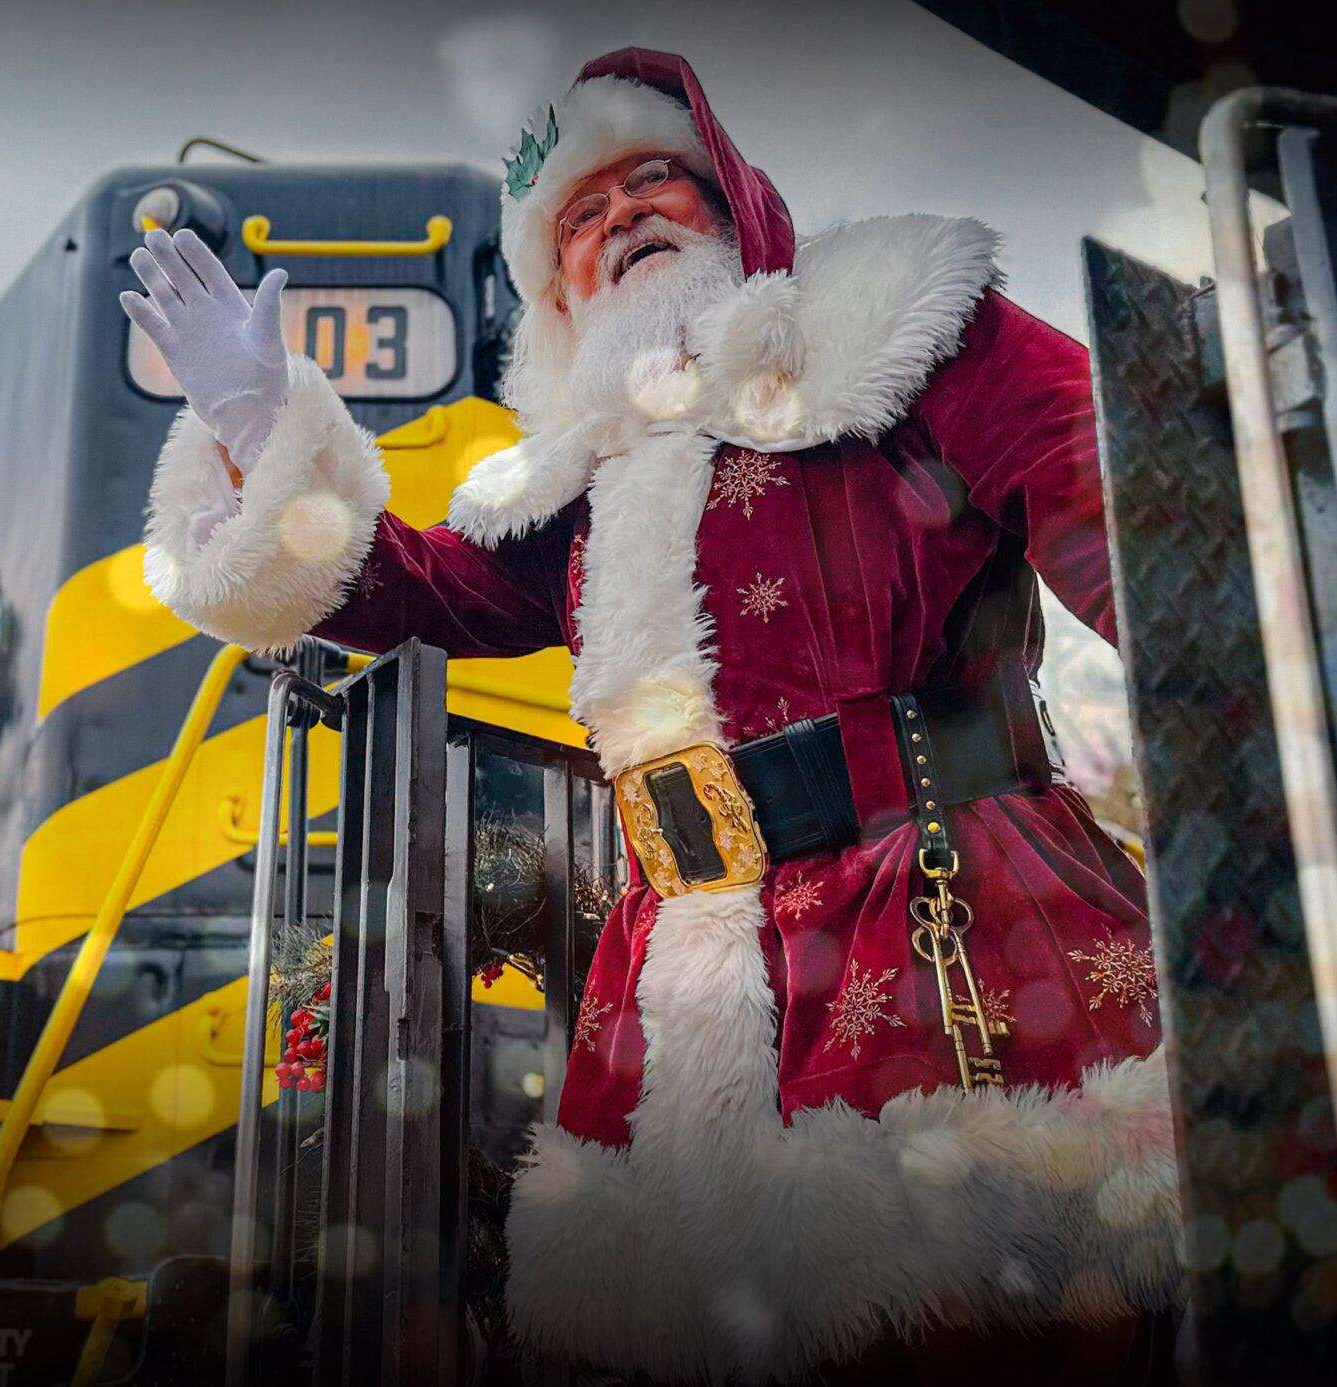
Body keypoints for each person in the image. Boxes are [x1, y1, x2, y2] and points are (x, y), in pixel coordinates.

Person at [123, 48, 1178, 1384]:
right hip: (687, 984)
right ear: (560, 290)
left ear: (732, 202)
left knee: (997, 1326)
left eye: (652, 182)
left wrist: (1269, 751)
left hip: (942, 926)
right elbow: (406, 590)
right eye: (579, 216)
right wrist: (258, 421)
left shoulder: (901, 328)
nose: (619, 219)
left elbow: (1135, 518)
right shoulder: (576, 489)